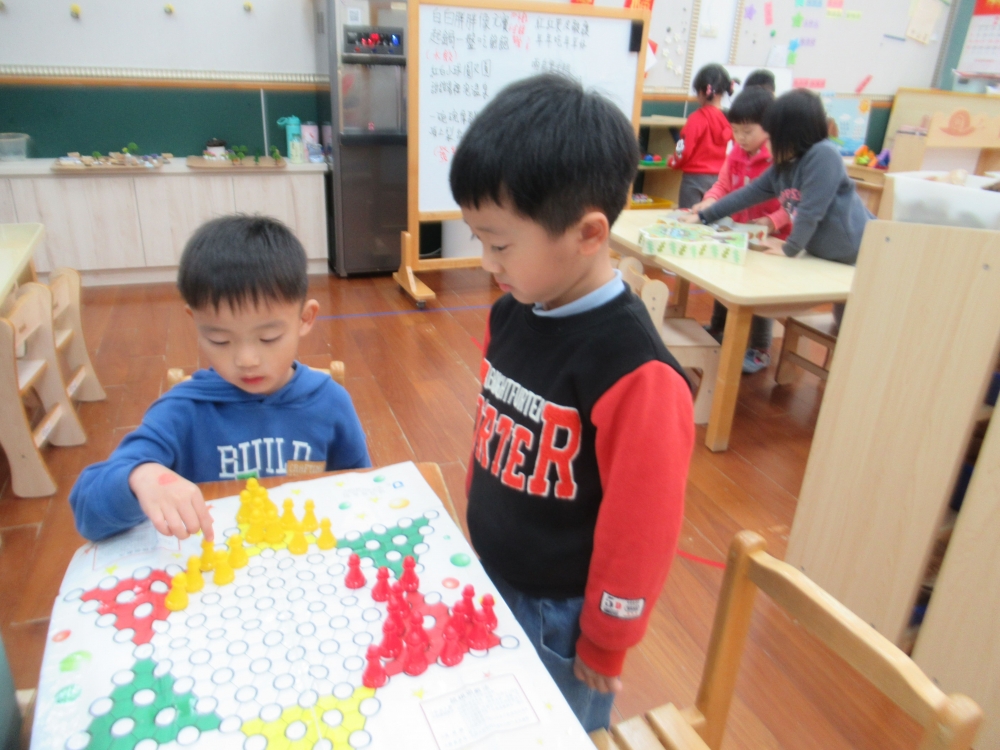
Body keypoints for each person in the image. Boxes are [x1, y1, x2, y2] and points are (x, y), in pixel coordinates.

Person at [449, 74, 695, 732]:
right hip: (496, 571)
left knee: (556, 732)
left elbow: (641, 528)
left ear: (588, 234)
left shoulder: (636, 373)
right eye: (479, 238)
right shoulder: (512, 311)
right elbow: (493, 425)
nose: (486, 262)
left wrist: (608, 638)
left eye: (500, 244)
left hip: (562, 614)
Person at [69, 215, 371, 542]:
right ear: (195, 322)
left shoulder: (330, 403)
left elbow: (363, 489)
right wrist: (140, 477)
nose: (246, 360)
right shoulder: (182, 411)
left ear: (305, 318)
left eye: (268, 338)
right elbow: (88, 514)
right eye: (220, 340)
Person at [689, 88, 873, 328]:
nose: (769, 142)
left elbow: (810, 211)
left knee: (851, 323)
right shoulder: (784, 165)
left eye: (774, 135)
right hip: (824, 255)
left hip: (857, 251)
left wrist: (790, 247)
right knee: (843, 322)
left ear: (791, 134)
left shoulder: (823, 155)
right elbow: (748, 194)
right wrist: (704, 216)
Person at [692, 86, 789, 373]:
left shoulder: (779, 158)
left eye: (747, 131)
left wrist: (773, 221)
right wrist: (709, 201)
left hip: (772, 240)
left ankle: (760, 348)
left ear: (769, 127)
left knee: (760, 292)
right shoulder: (736, 152)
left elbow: (795, 201)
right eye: (735, 131)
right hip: (739, 232)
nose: (740, 138)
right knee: (726, 279)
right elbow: (723, 184)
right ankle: (718, 328)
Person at [668, 63, 734, 208]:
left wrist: (673, 161)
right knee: (712, 218)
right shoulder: (730, 118)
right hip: (720, 181)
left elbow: (683, 147)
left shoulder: (696, 118)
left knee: (687, 217)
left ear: (702, 91)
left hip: (694, 180)